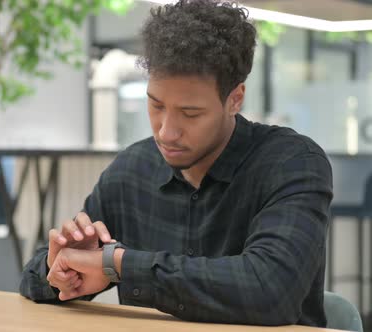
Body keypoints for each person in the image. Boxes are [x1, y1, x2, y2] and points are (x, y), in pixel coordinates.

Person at [19, 0, 332, 327]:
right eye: (155, 105)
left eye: (190, 113)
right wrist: (63, 269)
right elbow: (33, 277)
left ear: (235, 99)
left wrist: (119, 263)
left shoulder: (291, 164)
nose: (166, 132)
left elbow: (269, 292)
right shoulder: (131, 171)